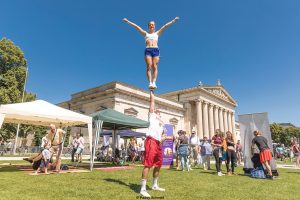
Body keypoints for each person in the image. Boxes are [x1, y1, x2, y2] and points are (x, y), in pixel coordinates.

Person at [123, 17, 179, 90]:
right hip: (148, 50)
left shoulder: (157, 33)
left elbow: (165, 26)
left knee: (155, 66)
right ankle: (150, 82)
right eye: (150, 25)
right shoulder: (145, 34)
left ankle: (154, 82)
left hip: (156, 50)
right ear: (148, 26)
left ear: (155, 26)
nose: (152, 26)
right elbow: (136, 27)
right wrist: (128, 21)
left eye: (153, 25)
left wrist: (173, 20)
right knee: (149, 65)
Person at [140, 90, 166, 198]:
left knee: (158, 164)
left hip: (158, 143)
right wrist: (152, 92)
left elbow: (163, 135)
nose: (156, 110)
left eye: (158, 111)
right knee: (148, 164)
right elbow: (152, 102)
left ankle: (155, 185)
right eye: (155, 110)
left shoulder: (162, 123)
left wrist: (163, 138)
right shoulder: (152, 116)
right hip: (151, 141)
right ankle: (143, 189)